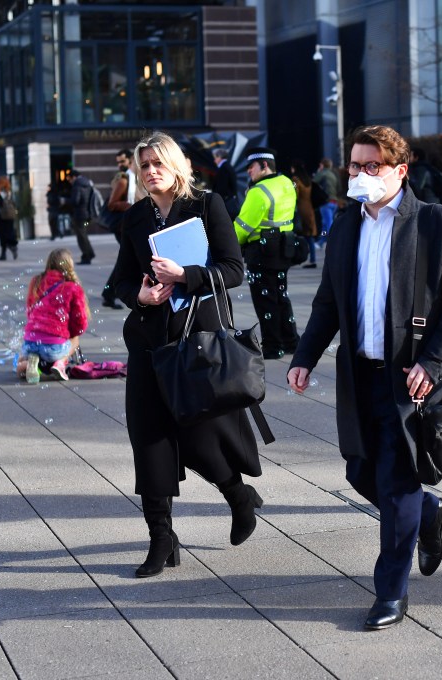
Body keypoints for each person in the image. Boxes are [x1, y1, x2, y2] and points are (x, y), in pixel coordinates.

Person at [287, 124, 442, 630]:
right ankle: (429, 510)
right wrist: (304, 356)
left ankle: (390, 592)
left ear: (400, 171)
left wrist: (433, 362)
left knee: (395, 485)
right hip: (359, 375)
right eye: (354, 164)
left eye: (372, 166)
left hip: (410, 379)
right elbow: (329, 301)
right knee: (359, 471)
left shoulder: (441, 224)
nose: (360, 174)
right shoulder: (347, 226)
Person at [112, 131, 264, 578]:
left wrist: (186, 274)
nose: (150, 171)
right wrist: (140, 296)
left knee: (200, 440)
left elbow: (234, 269)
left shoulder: (206, 205)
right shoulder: (136, 218)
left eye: (158, 163)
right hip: (148, 342)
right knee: (149, 437)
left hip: (197, 340)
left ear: (176, 165)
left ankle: (238, 496)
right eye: (144, 166)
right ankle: (162, 538)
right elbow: (120, 281)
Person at [234, 147, 301, 359]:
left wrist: (227, 244)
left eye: (251, 167)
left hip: (261, 251)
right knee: (281, 296)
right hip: (284, 247)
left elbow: (242, 227)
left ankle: (273, 346)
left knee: (265, 302)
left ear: (264, 165)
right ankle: (291, 341)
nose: (248, 172)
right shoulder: (286, 184)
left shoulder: (258, 192)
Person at [18, 248, 90, 384]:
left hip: (30, 343)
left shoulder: (36, 281)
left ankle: (28, 363)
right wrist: (68, 333)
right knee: (75, 338)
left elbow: (30, 311)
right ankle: (60, 364)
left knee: (26, 355)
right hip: (53, 348)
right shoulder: (72, 287)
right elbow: (80, 324)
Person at [100, 148, 141, 309]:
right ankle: (109, 293)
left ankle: (111, 293)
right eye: (118, 162)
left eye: (122, 161)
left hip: (130, 225)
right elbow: (112, 204)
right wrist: (132, 206)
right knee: (126, 260)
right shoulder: (123, 179)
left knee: (128, 260)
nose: (120, 165)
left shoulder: (135, 178)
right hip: (123, 226)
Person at [290, 159, 319, 269]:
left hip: (300, 209)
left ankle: (295, 257)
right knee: (310, 236)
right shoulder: (308, 180)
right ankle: (313, 259)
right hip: (309, 208)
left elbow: (294, 194)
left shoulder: (295, 179)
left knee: (296, 234)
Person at [69, 169, 97, 265]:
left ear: (73, 177)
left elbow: (75, 201)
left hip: (79, 215)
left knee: (81, 236)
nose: (70, 182)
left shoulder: (77, 185)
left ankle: (87, 255)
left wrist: (65, 201)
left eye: (70, 179)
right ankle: (90, 253)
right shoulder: (87, 183)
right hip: (88, 214)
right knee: (83, 235)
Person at [0, 176, 19, 261]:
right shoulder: (9, 193)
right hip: (10, 217)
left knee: (2, 235)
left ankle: (5, 253)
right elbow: (14, 204)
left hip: (1, 217)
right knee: (9, 233)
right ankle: (11, 247)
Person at [312, 157, 339, 240]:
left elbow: (313, 182)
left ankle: (334, 242)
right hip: (334, 202)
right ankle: (321, 242)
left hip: (326, 202)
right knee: (325, 224)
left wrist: (318, 172)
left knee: (328, 224)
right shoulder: (333, 174)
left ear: (322, 165)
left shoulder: (323, 173)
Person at [212, 147, 240, 219]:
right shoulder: (227, 166)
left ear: (219, 157)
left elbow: (222, 186)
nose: (214, 160)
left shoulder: (224, 168)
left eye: (215, 157)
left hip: (226, 201)